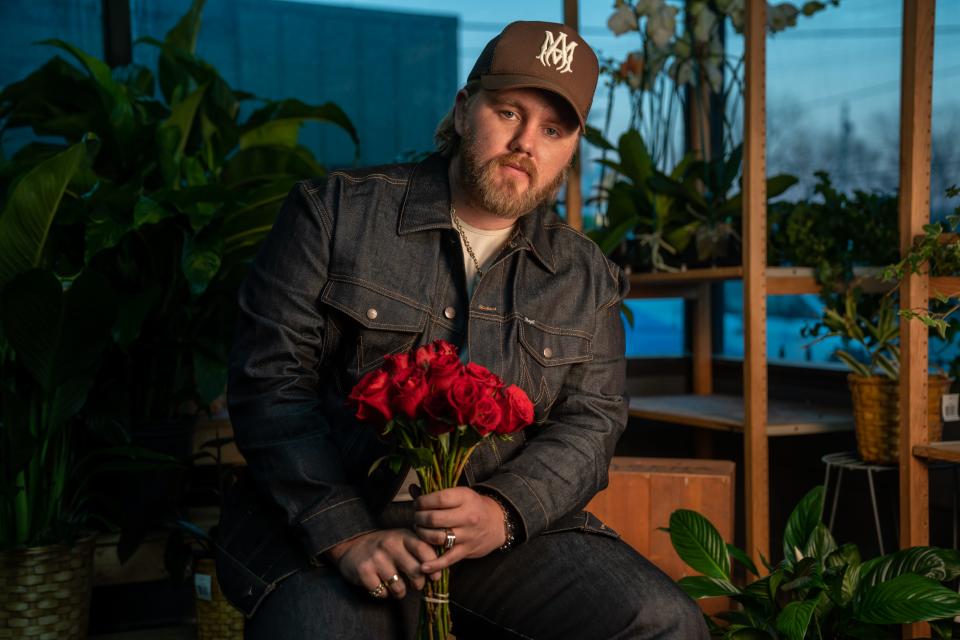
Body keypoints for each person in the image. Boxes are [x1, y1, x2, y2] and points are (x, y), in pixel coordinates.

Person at [217, 20, 709, 640]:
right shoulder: (334, 214)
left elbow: (593, 421)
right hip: (327, 528)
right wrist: (346, 532)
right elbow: (269, 383)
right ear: (462, 108)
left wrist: (503, 512)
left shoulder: (587, 277)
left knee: (665, 623)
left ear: (570, 150)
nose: (526, 142)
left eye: (553, 130)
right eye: (509, 112)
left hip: (491, 539)